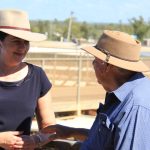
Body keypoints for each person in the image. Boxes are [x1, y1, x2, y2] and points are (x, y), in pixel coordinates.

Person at [42, 30, 150, 150]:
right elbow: (108, 139)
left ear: (106, 66)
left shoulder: (135, 107)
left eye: (95, 60)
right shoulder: (125, 94)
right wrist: (72, 132)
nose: (93, 64)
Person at [0, 9, 56, 149]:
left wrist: (36, 140)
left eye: (26, 42)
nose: (23, 47)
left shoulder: (38, 76)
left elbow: (50, 127)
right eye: (16, 41)